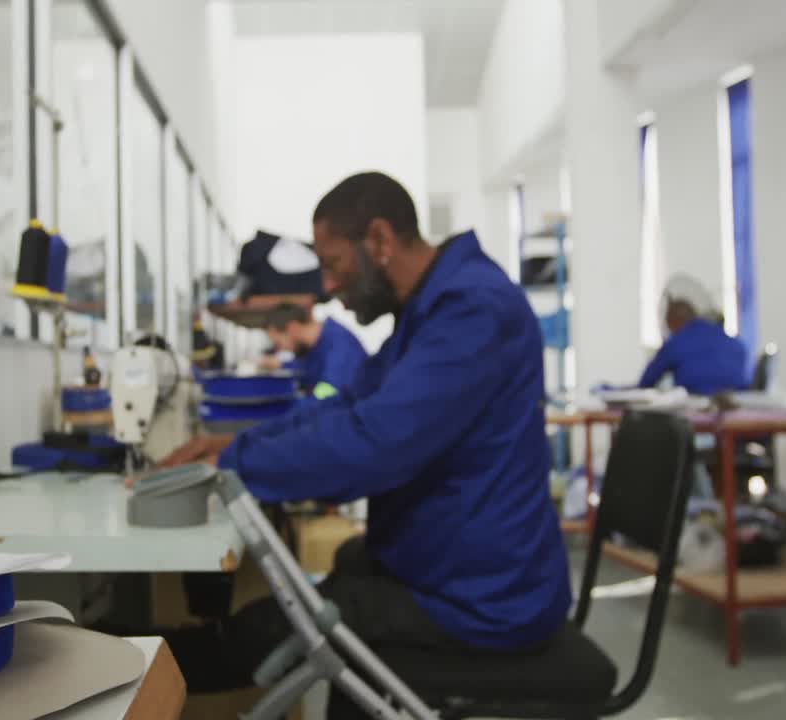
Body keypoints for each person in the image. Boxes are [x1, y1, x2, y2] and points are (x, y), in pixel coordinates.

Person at [154, 171, 571, 717]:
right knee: (340, 577)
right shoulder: (431, 308)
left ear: (378, 240)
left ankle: (133, 665)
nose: (326, 287)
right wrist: (231, 446)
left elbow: (377, 444)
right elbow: (350, 405)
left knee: (294, 622)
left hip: (487, 597)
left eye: (332, 264)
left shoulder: (472, 309)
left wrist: (236, 461)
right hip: (460, 567)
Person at [639, 278, 751, 395]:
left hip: (694, 405)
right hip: (739, 403)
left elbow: (646, 383)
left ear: (673, 320)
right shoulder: (734, 343)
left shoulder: (675, 344)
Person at [258, 303, 367, 400]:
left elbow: (328, 394)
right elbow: (305, 369)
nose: (280, 350)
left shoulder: (340, 345)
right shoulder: (311, 349)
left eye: (278, 343)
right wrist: (281, 365)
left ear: (292, 328)